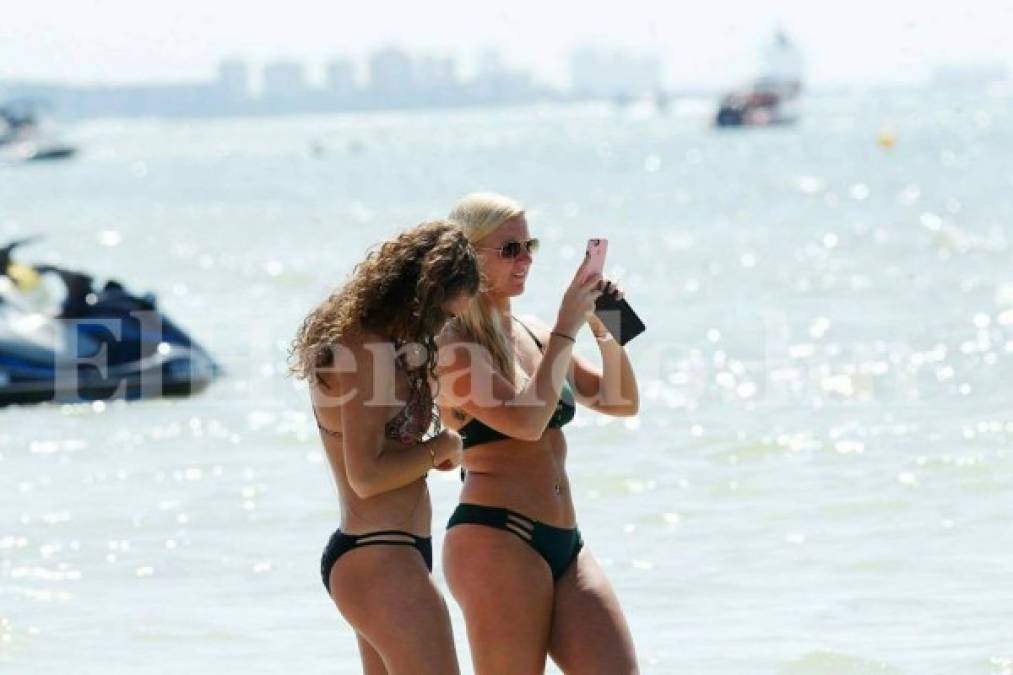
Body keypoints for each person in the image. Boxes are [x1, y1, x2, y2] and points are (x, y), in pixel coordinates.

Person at [437, 193, 641, 674]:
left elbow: (620, 399)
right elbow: (526, 423)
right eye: (510, 249)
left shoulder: (534, 333)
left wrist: (603, 325)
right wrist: (568, 325)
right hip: (498, 538)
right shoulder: (454, 346)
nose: (526, 258)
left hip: (566, 542)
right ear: (467, 257)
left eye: (529, 245)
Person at [290, 221, 480, 675]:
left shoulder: (387, 345)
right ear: (417, 295)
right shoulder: (363, 348)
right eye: (441, 315)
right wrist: (441, 447)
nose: (442, 327)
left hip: (391, 553)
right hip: (379, 555)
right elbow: (367, 476)